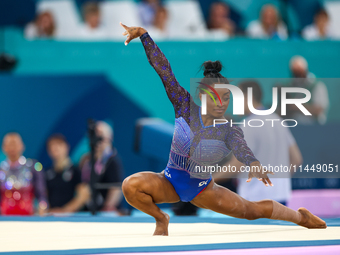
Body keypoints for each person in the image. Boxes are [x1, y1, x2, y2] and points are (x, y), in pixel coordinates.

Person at [119, 22, 326, 235]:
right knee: (129, 186)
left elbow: (241, 149)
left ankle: (301, 217)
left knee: (251, 210)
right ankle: (161, 218)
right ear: (201, 96)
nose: (221, 103)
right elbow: (164, 70)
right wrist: (144, 35)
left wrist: (253, 163)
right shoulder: (184, 106)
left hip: (203, 190)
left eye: (226, 97)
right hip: (169, 181)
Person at [213, 81, 303, 205]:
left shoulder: (248, 125)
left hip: (255, 200)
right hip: (281, 197)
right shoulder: (279, 121)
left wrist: (210, 181)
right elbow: (297, 159)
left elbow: (237, 164)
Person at [0, 132, 48, 215]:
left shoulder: (33, 167)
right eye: (9, 145)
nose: (12, 148)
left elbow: (41, 194)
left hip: (28, 217)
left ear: (22, 146)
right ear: (3, 147)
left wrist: (42, 206)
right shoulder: (1, 169)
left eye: (14, 144)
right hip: (5, 218)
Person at [80, 121, 123, 212]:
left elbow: (116, 188)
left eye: (100, 137)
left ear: (109, 138)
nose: (97, 141)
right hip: (89, 209)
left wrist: (107, 207)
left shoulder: (112, 161)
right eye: (94, 136)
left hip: (105, 212)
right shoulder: (86, 160)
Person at [45, 134, 90, 213]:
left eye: (59, 144)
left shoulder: (76, 171)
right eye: (52, 146)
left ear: (66, 147)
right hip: (51, 216)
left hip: (70, 216)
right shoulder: (47, 172)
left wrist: (65, 211)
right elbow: (43, 196)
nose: (55, 148)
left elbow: (84, 196)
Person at [287, 55, 329, 125]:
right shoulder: (292, 86)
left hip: (314, 126)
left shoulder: (317, 85)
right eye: (295, 73)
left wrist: (298, 106)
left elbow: (319, 109)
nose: (297, 76)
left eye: (299, 73)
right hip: (297, 126)